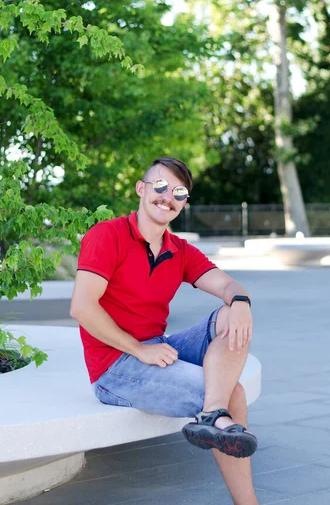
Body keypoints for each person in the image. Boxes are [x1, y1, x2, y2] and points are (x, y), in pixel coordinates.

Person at [71, 156, 259, 505]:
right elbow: (82, 307)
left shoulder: (179, 250)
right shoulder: (107, 235)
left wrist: (241, 302)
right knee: (235, 393)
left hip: (159, 345)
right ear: (141, 189)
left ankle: (211, 415)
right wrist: (139, 349)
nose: (167, 196)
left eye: (179, 192)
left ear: (184, 202)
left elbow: (226, 284)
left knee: (229, 315)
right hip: (115, 366)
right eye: (160, 186)